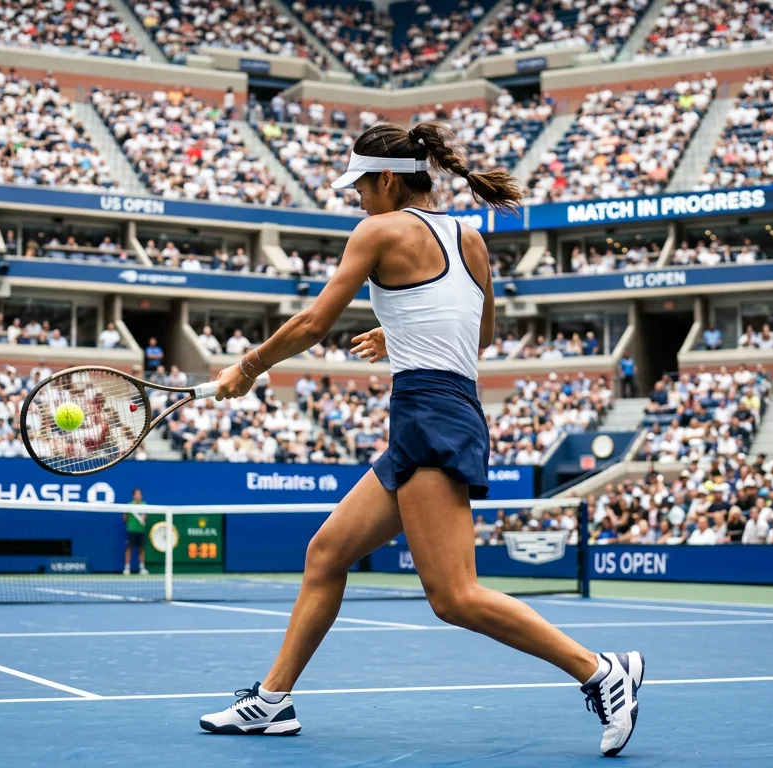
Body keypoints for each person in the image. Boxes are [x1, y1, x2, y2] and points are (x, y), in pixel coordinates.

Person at [198, 122, 644, 756]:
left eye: (360, 187)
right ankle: (272, 701)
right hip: (442, 406)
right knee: (326, 553)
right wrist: (397, 335)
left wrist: (247, 369)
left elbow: (314, 321)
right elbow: (480, 337)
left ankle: (601, 672)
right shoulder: (470, 237)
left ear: (386, 180)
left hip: (429, 413)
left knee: (454, 595)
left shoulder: (378, 230)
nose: (356, 199)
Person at [123, 488, 149, 576]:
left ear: (141, 496)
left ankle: (142, 568)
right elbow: (125, 518)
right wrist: (131, 524)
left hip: (140, 531)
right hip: (131, 530)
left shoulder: (144, 505)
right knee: (129, 549)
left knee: (141, 549)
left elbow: (145, 517)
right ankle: (127, 568)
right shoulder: (129, 505)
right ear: (133, 496)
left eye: (139, 494)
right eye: (136, 494)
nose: (138, 496)